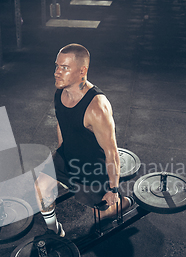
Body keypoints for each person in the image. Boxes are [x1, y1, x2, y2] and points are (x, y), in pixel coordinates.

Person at [35, 43, 134, 236]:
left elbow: (111, 152)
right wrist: (61, 151)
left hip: (93, 167)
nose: (57, 72)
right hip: (68, 156)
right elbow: (62, 123)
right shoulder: (60, 92)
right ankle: (55, 232)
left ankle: (124, 201)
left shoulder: (97, 107)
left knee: (101, 215)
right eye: (57, 66)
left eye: (64, 68)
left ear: (82, 70)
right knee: (40, 188)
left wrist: (113, 189)